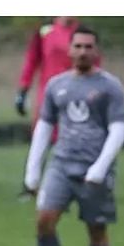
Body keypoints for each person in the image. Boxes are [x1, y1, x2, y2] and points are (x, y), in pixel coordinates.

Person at [22, 26, 124, 246]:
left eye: (88, 47)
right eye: (78, 46)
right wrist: (32, 171)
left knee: (96, 229)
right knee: (44, 221)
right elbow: (44, 127)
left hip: (94, 170)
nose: (82, 52)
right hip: (61, 165)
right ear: (69, 50)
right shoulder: (56, 85)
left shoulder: (110, 87)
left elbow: (118, 130)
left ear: (97, 51)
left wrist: (101, 167)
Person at [16, 17, 100, 199]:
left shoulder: (82, 35)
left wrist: (96, 91)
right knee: (40, 140)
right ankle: (31, 185)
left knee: (76, 140)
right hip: (48, 95)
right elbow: (32, 60)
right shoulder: (45, 32)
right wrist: (23, 89)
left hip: (77, 96)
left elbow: (95, 63)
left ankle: (76, 186)